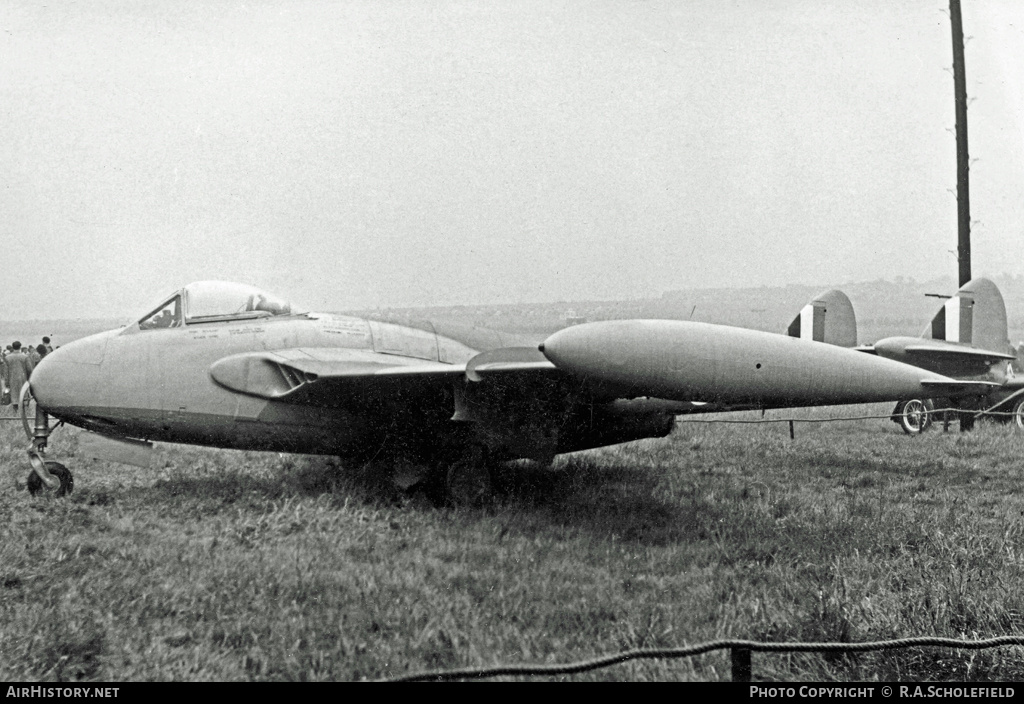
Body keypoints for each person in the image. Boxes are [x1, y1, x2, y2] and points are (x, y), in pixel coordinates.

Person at [6, 342, 34, 413]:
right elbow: (29, 369)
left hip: (11, 377)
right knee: (23, 393)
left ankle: (15, 410)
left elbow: (5, 370)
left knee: (14, 393)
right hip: (22, 377)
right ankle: (24, 411)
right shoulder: (24, 357)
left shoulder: (7, 357)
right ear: (20, 347)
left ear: (13, 347)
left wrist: (6, 380)